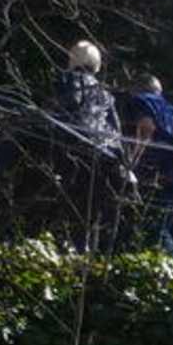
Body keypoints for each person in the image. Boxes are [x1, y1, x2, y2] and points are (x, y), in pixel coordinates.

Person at [49, 40, 126, 244]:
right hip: (105, 155)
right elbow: (116, 129)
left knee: (65, 204)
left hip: (73, 149)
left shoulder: (66, 81)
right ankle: (83, 250)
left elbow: (59, 113)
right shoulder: (105, 93)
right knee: (89, 212)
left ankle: (60, 246)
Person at [122, 73, 173, 255]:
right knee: (159, 227)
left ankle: (171, 264)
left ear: (137, 88)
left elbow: (146, 130)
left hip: (157, 177)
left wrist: (130, 164)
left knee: (154, 230)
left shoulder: (142, 101)